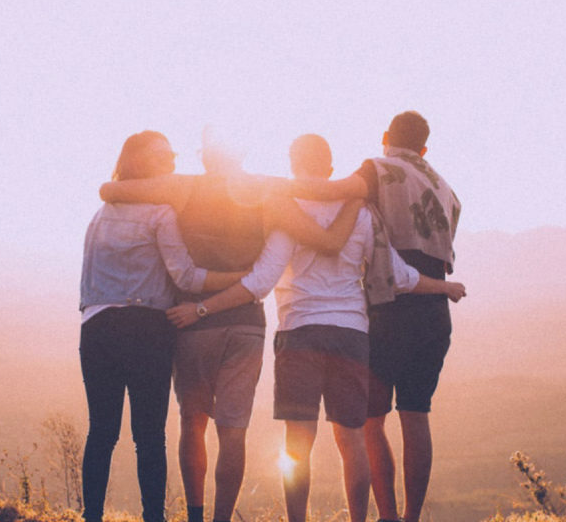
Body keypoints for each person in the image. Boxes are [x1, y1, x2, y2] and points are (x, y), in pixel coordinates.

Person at [167, 134, 466, 522]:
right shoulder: (360, 212)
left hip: (299, 333)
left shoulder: (287, 212)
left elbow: (260, 282)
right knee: (352, 438)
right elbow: (398, 275)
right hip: (351, 334)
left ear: (294, 165)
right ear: (329, 167)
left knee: (297, 442)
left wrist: (203, 308)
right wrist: (443, 286)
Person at [99, 129, 361, 522]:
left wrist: (112, 184)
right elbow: (325, 230)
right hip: (246, 325)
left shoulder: (181, 187)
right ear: (241, 152)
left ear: (205, 156)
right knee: (233, 431)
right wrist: (359, 191)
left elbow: (111, 192)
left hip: (191, 323)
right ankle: (222, 517)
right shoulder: (268, 191)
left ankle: (195, 516)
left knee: (193, 421)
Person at [288, 112, 462, 522]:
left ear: (386, 137)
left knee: (369, 419)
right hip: (433, 309)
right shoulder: (446, 189)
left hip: (389, 308)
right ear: (424, 147)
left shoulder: (377, 170)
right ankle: (411, 517)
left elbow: (331, 191)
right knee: (417, 414)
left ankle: (385, 517)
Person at [78, 131, 247, 522]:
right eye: (162, 156)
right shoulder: (160, 213)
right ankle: (153, 516)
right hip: (146, 328)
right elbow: (186, 277)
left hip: (97, 326)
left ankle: (92, 517)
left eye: (172, 154)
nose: (171, 161)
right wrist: (238, 277)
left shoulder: (99, 215)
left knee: (101, 431)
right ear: (139, 162)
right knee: (149, 435)